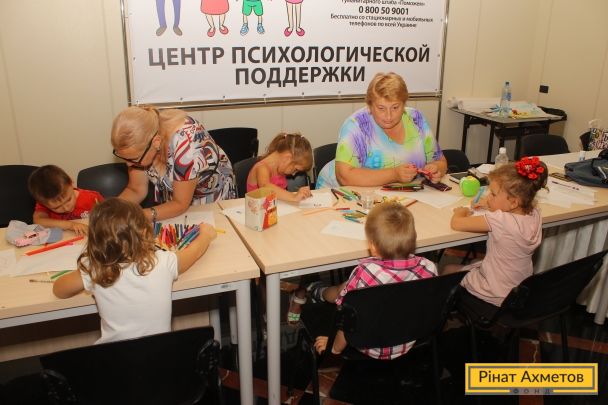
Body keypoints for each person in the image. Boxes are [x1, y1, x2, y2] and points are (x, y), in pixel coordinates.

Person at [53, 198, 217, 344]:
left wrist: (88, 269)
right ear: (144, 233)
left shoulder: (96, 269)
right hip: (161, 357)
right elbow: (193, 253)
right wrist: (206, 235)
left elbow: (59, 290)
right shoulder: (162, 261)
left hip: (114, 360)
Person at [294, 202, 437, 358]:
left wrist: (334, 348)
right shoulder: (429, 268)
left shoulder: (365, 273)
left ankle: (317, 291)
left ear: (373, 246)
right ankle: (320, 291)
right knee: (349, 288)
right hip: (407, 340)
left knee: (346, 291)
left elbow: (347, 319)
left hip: (369, 346)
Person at [445, 156, 548, 321]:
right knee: (473, 264)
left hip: (494, 291)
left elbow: (456, 223)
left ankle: (443, 315)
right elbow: (508, 214)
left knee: (448, 270)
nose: (488, 196)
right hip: (518, 288)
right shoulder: (535, 214)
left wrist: (460, 212)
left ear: (513, 202)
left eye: (492, 194)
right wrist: (491, 203)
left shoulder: (500, 220)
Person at [315, 72, 447, 189]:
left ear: (404, 104)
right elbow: (344, 177)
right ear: (370, 105)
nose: (388, 116)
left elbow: (441, 162)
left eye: (395, 107)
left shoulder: (416, 119)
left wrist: (436, 170)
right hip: (338, 194)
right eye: (381, 108)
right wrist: (394, 174)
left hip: (398, 195)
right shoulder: (356, 125)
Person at [111, 106, 236, 223]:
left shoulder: (186, 145)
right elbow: (136, 189)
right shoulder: (143, 139)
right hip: (176, 201)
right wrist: (111, 211)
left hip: (213, 199)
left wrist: (136, 217)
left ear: (156, 142)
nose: (128, 164)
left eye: (133, 159)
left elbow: (180, 204)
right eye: (124, 158)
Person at [28, 165, 103, 235]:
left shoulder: (93, 198)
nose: (66, 208)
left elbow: (107, 218)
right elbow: (38, 221)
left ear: (71, 182)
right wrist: (70, 225)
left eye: (68, 200)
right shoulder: (45, 203)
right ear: (42, 203)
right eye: (57, 207)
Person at [246, 132, 313, 202]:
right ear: (287, 158)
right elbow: (265, 187)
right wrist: (293, 196)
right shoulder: (261, 168)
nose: (293, 174)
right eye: (295, 169)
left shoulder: (281, 170)